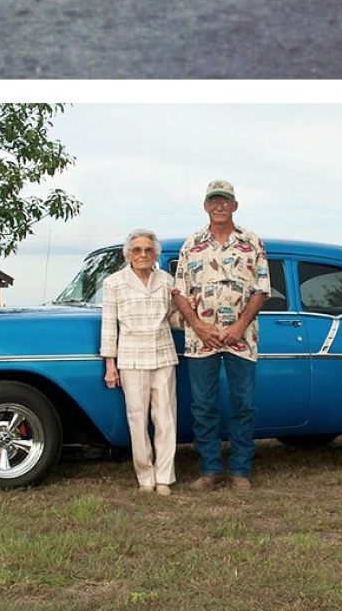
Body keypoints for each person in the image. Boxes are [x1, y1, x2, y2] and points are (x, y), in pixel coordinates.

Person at [172, 180, 269, 492]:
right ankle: (209, 470)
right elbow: (179, 292)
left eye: (225, 201)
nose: (219, 206)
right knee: (203, 406)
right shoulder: (192, 245)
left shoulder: (251, 242)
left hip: (243, 338)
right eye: (214, 201)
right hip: (202, 340)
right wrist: (198, 326)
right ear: (205, 206)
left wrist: (240, 325)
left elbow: (261, 289)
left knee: (243, 405)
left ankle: (241, 471)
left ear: (234, 205)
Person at [100, 229, 179, 494]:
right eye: (137, 250)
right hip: (131, 358)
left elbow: (172, 319)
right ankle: (145, 477)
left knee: (166, 418)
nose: (142, 255)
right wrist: (110, 365)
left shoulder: (167, 281)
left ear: (155, 253)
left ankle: (164, 477)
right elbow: (109, 325)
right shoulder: (114, 283)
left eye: (148, 250)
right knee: (137, 418)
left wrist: (195, 312)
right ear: (128, 255)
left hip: (164, 354)